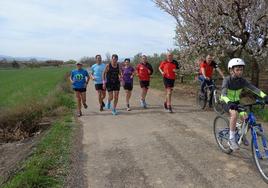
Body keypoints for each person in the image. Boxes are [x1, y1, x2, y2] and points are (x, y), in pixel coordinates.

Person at [221, 58, 268, 151]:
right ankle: (231, 139)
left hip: (236, 102)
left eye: (241, 69)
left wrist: (264, 96)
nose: (240, 72)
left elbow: (253, 89)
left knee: (245, 118)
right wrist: (229, 102)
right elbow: (223, 94)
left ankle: (241, 135)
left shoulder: (242, 81)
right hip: (226, 101)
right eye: (237, 69)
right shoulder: (227, 80)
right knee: (234, 114)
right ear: (231, 70)